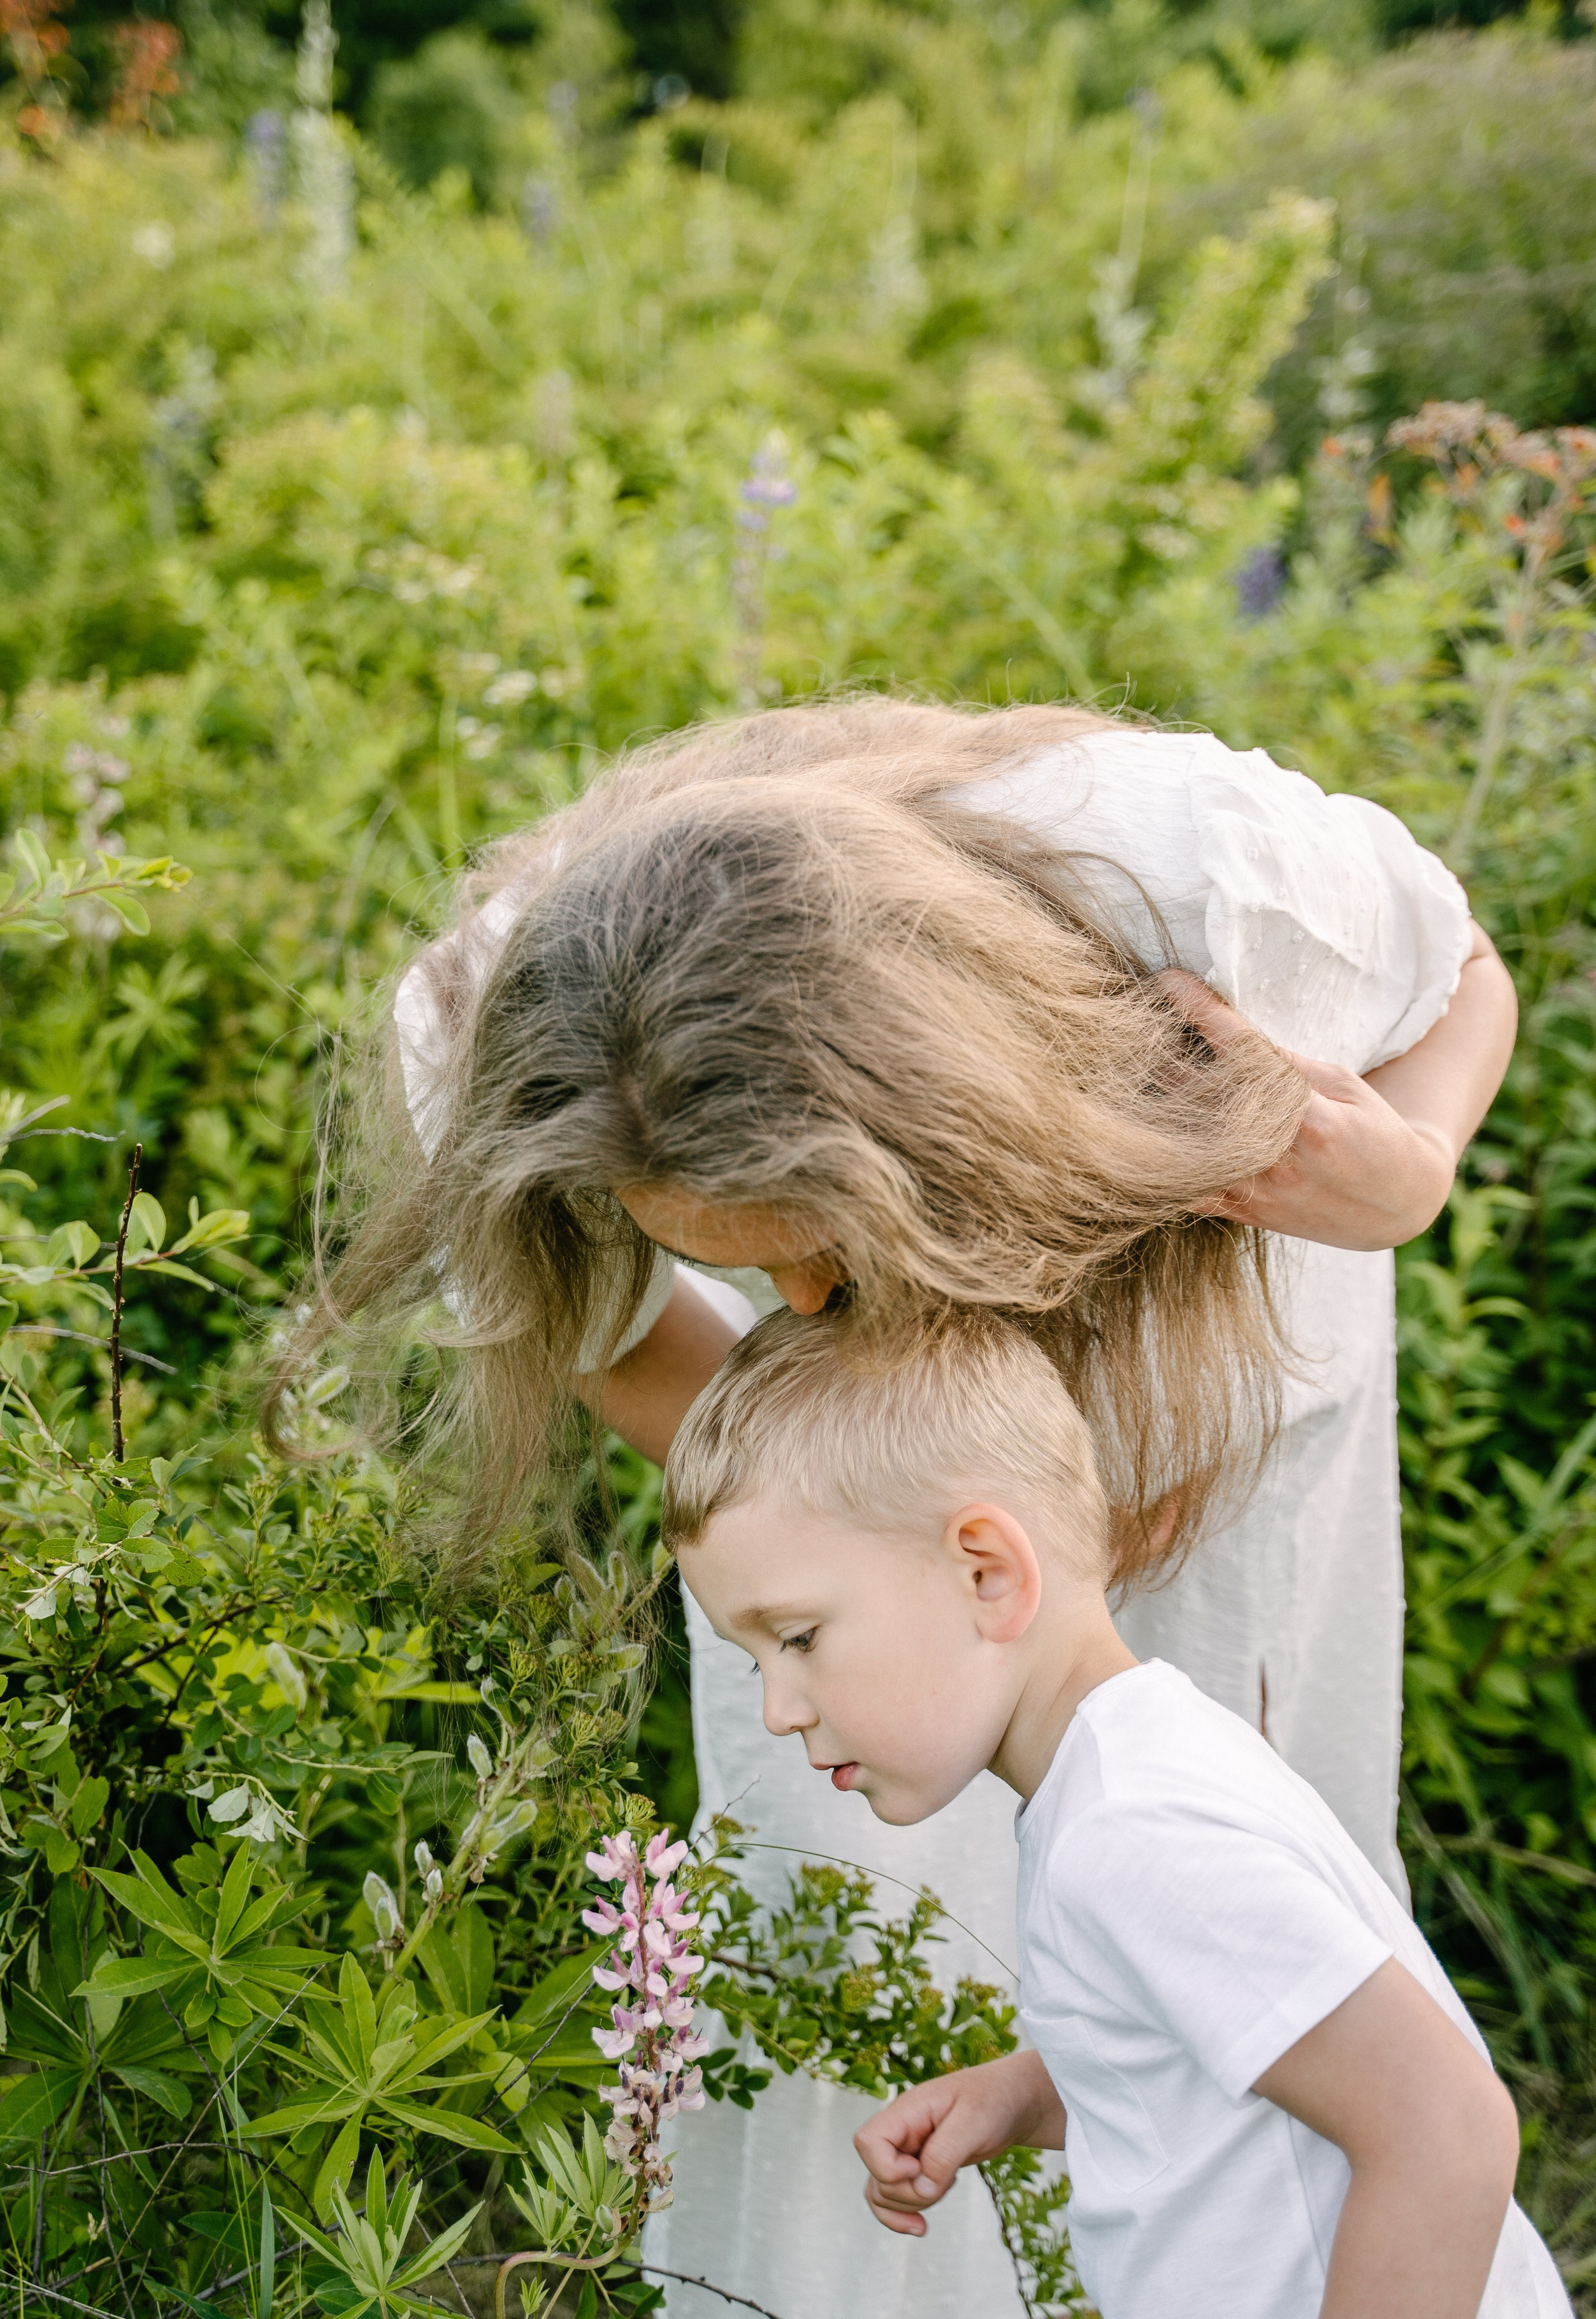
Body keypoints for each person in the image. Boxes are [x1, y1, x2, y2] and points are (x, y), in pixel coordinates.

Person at [289, 696, 1516, 2318]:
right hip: (872, 1508)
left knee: (1238, 1926)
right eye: (743, 1268)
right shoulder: (491, 1030)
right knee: (887, 1929)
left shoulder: (1189, 875)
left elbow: (1458, 969)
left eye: (820, 1243)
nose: (800, 1305)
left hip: (1231, 1326)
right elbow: (635, 1355)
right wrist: (864, 1538)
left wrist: (1408, 1166)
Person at [663, 1307, 1572, 2319]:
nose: (779, 1710)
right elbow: (1216, 2051)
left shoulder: (1136, 1832)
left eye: (796, 1638)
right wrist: (1025, 2094)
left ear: (986, 1573)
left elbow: (1445, 2131)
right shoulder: (1132, 1770)